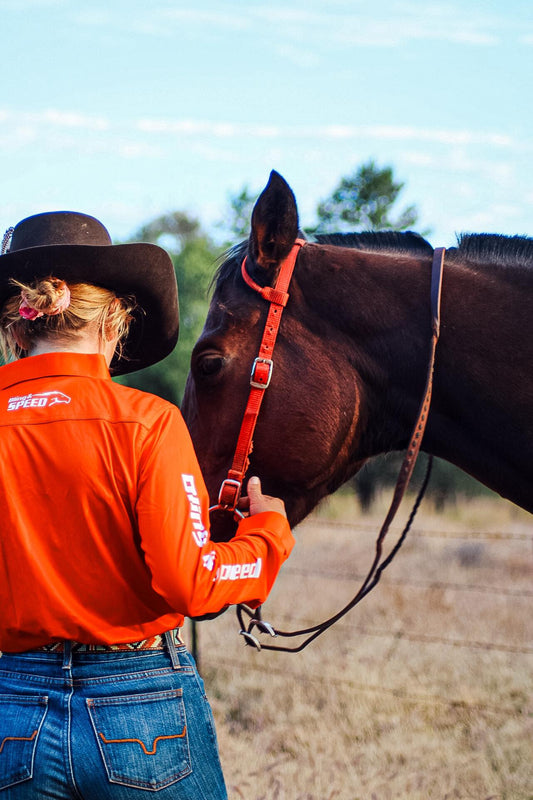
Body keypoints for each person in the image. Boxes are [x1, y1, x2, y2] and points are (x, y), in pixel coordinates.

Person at [0, 212, 294, 799]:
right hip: (140, 709)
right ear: (114, 323)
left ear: (17, 331)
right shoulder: (148, 424)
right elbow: (191, 583)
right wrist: (266, 538)